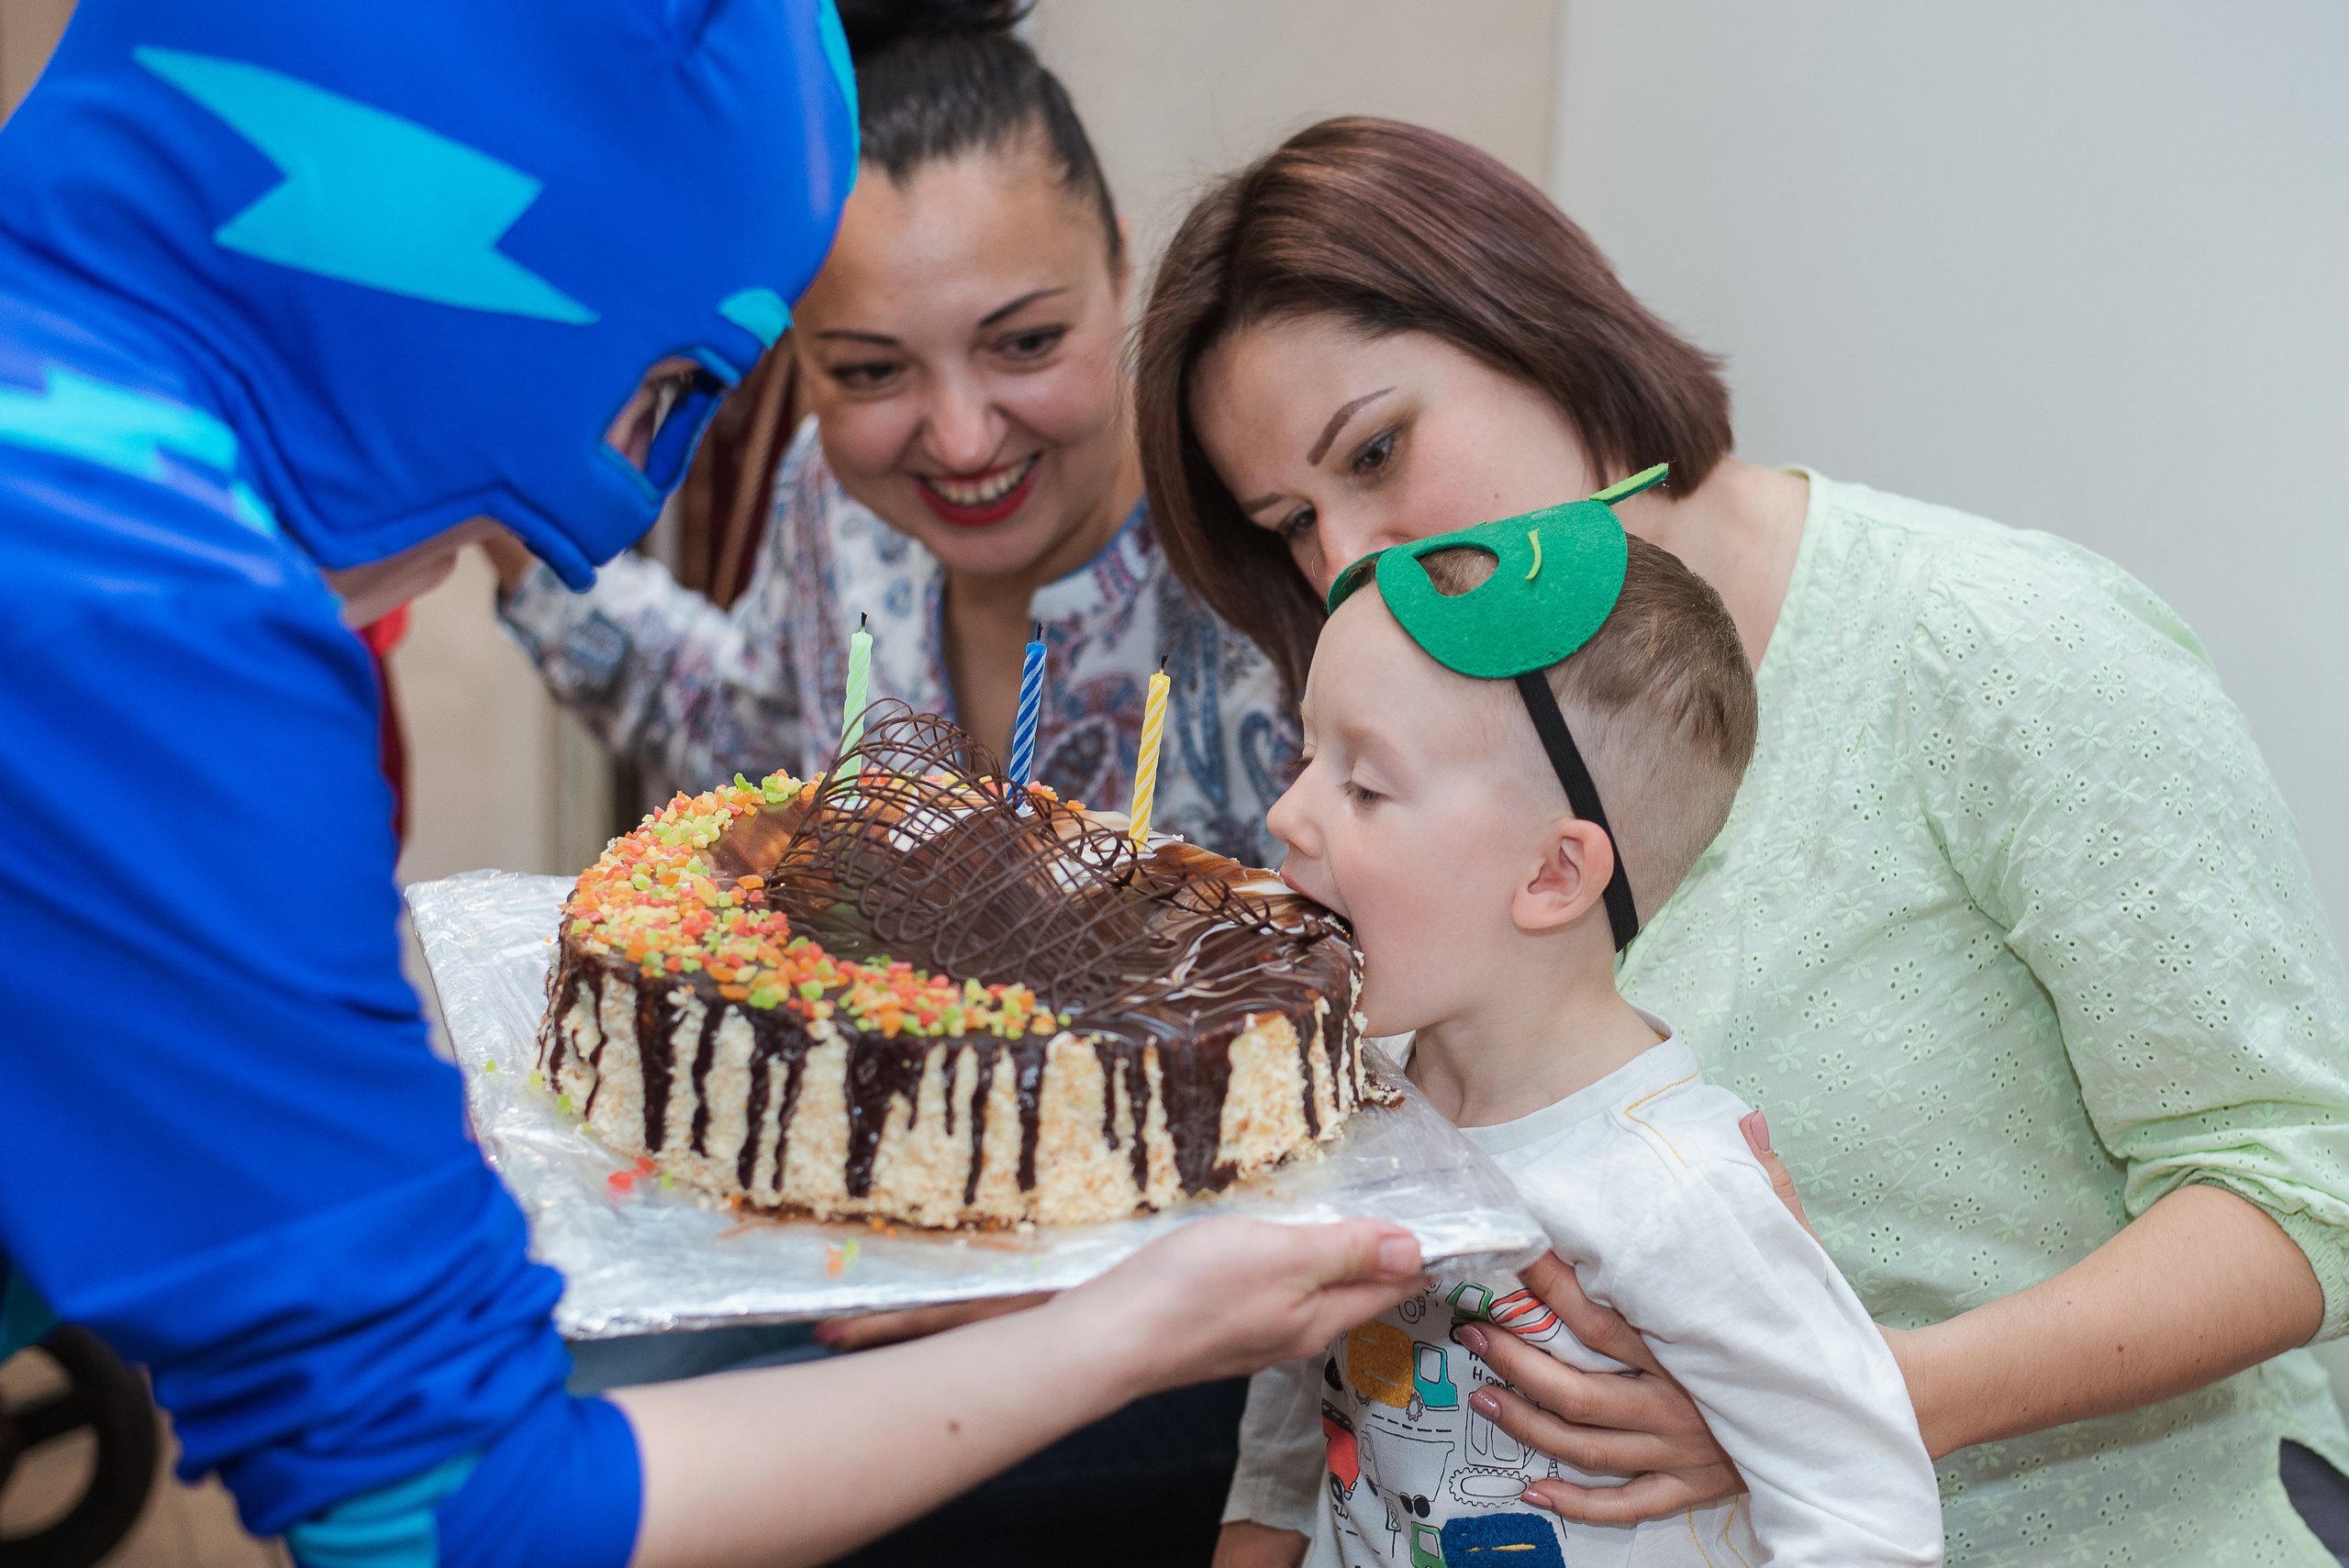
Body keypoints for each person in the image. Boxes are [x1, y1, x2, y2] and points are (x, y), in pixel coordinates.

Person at [0, 7, 1430, 1565]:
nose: (602, 497)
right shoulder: (148, 615)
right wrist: (1120, 1331)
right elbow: (450, 1516)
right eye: (670, 381)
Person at [1139, 117, 2349, 1565]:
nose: (1352, 567)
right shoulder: (1407, 761)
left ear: (1540, 328)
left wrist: (1834, 1400)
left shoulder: (2001, 649)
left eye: (1380, 451)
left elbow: (2299, 1184)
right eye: (1293, 523)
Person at [1220, 482, 1943, 1566]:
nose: (1286, 812)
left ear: (1554, 873)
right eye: (1306, 753)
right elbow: (1298, 1388)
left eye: (1362, 785)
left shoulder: (1673, 1188)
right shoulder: (1347, 1092)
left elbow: (1863, 1509)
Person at [486, 0, 1297, 869]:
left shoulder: (1270, 527)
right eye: (872, 371)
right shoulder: (830, 501)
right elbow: (747, 739)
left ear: (1121, 269)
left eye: (1025, 344)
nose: (960, 442)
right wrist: (512, 529)